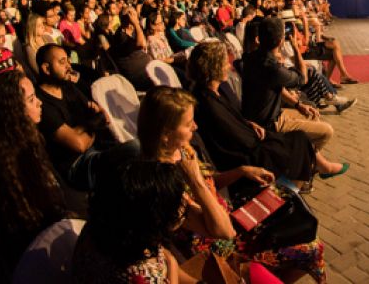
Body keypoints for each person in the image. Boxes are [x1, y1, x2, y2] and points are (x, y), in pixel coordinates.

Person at [138, 86, 327, 283]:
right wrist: (195, 180)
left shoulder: (182, 150)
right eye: (187, 124)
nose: (195, 126)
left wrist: (241, 171)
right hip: (220, 247)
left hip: (229, 217)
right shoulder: (163, 181)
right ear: (165, 134)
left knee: (285, 200)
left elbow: (210, 183)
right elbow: (224, 232)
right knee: (312, 249)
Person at [189, 41, 348, 183]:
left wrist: (249, 124)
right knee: (298, 141)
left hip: (250, 134)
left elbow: (234, 117)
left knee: (299, 138)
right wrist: (263, 138)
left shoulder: (220, 88)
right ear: (214, 67)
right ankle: (307, 177)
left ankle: (314, 169)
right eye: (224, 63)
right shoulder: (207, 101)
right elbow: (232, 134)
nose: (228, 66)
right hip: (245, 153)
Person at [0, 71, 67, 272]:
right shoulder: (5, 156)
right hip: (34, 245)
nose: (39, 103)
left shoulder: (25, 137)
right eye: (31, 99)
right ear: (14, 109)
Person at [34, 44, 139, 190]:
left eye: (68, 60)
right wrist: (94, 124)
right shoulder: (41, 104)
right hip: (77, 165)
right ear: (46, 68)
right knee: (135, 148)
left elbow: (102, 115)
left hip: (98, 147)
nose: (69, 66)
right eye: (62, 62)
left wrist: (90, 126)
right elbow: (79, 145)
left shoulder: (67, 86)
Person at [71, 161, 191, 283]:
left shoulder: (109, 220)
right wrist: (172, 263)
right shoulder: (141, 276)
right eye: (177, 206)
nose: (185, 202)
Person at [242, 18, 336, 152]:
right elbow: (303, 79)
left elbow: (277, 88)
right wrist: (295, 48)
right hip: (270, 123)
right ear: (281, 41)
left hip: (264, 116)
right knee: (327, 131)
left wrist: (298, 105)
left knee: (312, 115)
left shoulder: (251, 58)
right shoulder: (272, 67)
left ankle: (310, 159)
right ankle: (302, 160)